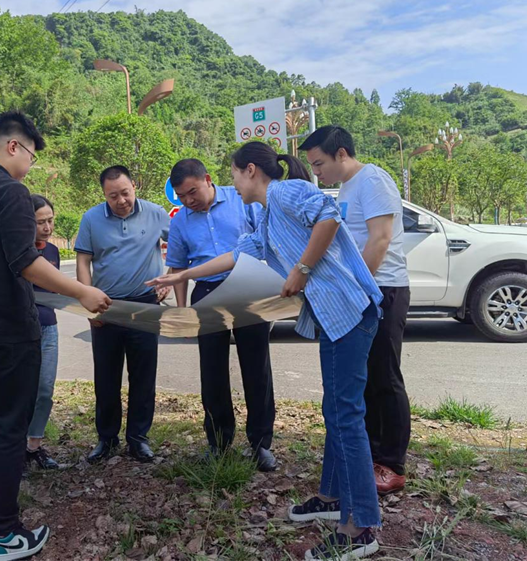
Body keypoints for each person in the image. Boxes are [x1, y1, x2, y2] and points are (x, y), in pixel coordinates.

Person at [148, 142, 383, 561]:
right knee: (337, 411)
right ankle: (332, 499)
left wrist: (302, 269)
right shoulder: (268, 218)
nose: (233, 185)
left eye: (234, 175)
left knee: (346, 417)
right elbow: (234, 256)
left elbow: (329, 216)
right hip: (334, 317)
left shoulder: (286, 191)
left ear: (251, 171)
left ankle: (360, 526)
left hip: (349, 310)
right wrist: (180, 275)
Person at [0, 111, 111, 560]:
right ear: (13, 146)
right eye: (31, 156)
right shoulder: (9, 191)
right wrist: (82, 291)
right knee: (10, 428)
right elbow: (25, 262)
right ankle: (3, 533)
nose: (29, 167)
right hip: (8, 332)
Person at [300, 125, 411, 495]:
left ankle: (392, 465)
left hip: (383, 290)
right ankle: (370, 458)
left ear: (341, 154)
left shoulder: (373, 180)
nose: (316, 172)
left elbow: (380, 239)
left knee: (384, 376)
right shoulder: (347, 188)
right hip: (362, 292)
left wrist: (358, 290)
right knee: (363, 379)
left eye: (319, 164)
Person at [165, 158, 277, 472]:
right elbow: (178, 268)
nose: (189, 200)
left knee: (257, 367)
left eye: (192, 192)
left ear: (207, 179)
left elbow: (266, 240)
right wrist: (183, 310)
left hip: (248, 287)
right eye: (182, 197)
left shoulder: (242, 200)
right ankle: (218, 442)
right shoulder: (180, 221)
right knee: (212, 371)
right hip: (207, 293)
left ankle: (260, 443)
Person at [75, 165, 171, 464]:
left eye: (125, 193)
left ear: (134, 187)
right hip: (107, 307)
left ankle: (138, 439)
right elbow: (83, 261)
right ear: (104, 195)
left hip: (145, 306)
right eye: (113, 196)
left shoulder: (156, 213)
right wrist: (87, 301)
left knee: (143, 375)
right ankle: (106, 438)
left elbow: (181, 246)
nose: (121, 200)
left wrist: (169, 278)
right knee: (106, 376)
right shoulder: (91, 218)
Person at [25, 194, 61, 471]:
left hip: (49, 328)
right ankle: (14, 448)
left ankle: (33, 447)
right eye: (40, 222)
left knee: (45, 389)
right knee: (21, 392)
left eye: (50, 220)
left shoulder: (53, 251)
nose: (47, 228)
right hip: (22, 331)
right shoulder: (19, 251)